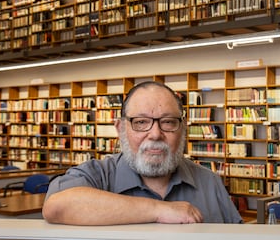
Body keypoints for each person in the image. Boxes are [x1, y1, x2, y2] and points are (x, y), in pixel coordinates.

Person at [42, 81, 243, 225]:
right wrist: (159, 209)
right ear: (120, 128)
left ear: (182, 129)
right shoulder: (96, 175)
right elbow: (57, 207)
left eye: (168, 122)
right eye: (141, 122)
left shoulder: (210, 182)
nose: (155, 134)